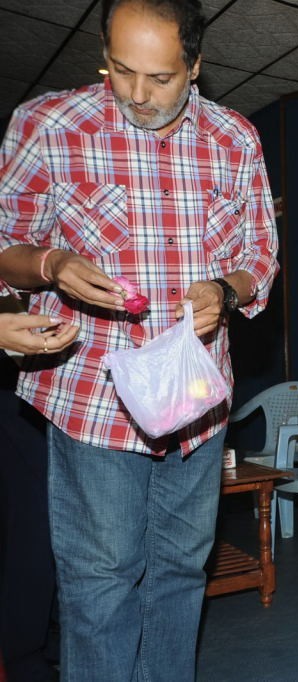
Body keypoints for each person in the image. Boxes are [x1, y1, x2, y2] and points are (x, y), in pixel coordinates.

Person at [0, 0, 279, 678]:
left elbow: (261, 257)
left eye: (160, 78)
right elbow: (5, 245)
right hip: (96, 400)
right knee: (102, 580)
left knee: (182, 573)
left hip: (196, 401)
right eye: (122, 70)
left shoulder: (236, 139)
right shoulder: (47, 124)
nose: (137, 94)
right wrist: (51, 265)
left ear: (196, 66)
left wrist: (226, 290)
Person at [0, 302, 78, 682]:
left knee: (44, 512)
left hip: (29, 374)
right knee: (32, 517)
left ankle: (45, 637)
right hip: (12, 376)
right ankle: (26, 652)